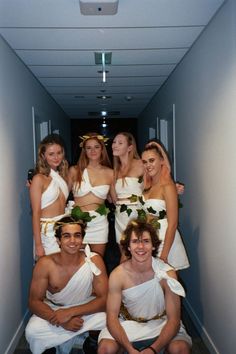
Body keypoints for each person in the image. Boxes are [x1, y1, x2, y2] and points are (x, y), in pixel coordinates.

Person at [98, 220, 191, 354]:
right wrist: (130, 349)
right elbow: (112, 318)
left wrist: (153, 350)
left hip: (161, 323)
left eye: (146, 241)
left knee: (180, 349)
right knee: (105, 349)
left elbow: (174, 320)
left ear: (153, 245)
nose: (140, 246)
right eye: (135, 241)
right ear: (128, 247)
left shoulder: (166, 273)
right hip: (128, 323)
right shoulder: (117, 275)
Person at [25, 216, 108, 354]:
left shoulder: (94, 260)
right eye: (66, 236)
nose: (73, 241)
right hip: (55, 310)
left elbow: (105, 299)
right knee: (32, 331)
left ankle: (90, 341)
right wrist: (61, 321)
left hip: (84, 309)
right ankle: (75, 337)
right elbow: (34, 302)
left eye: (77, 235)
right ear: (58, 240)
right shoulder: (45, 264)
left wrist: (70, 313)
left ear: (82, 239)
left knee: (108, 319)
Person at [141, 140, 189, 270]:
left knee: (169, 286)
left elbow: (173, 224)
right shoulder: (147, 186)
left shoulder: (168, 186)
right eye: (144, 162)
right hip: (151, 238)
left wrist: (164, 256)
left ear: (162, 160)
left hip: (167, 241)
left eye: (152, 160)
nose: (148, 165)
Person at [68, 133, 115, 257]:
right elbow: (60, 195)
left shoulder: (110, 173)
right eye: (88, 148)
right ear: (84, 151)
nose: (92, 151)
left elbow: (116, 200)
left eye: (96, 147)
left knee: (97, 262)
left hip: (99, 223)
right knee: (75, 263)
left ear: (102, 149)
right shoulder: (74, 170)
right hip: (77, 222)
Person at [29, 134, 69, 259]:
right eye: (51, 154)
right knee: (50, 272)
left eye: (59, 152)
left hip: (64, 230)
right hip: (47, 232)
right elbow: (35, 213)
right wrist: (38, 244)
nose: (56, 157)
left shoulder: (62, 176)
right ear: (43, 156)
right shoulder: (38, 179)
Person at [112, 132, 144, 249]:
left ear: (130, 147)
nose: (115, 145)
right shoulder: (115, 170)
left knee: (137, 249)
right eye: (114, 142)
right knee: (124, 250)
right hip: (120, 214)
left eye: (120, 143)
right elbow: (113, 198)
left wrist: (173, 186)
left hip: (137, 213)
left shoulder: (141, 164)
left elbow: (155, 182)